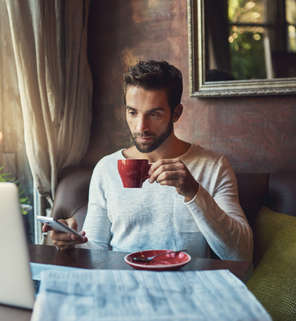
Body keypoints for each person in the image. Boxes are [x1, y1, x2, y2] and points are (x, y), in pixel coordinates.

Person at [44, 60, 253, 262]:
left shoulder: (213, 167)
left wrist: (193, 192)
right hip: (122, 288)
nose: (140, 127)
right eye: (133, 112)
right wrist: (69, 242)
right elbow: (95, 251)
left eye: (154, 114)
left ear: (176, 113)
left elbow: (241, 254)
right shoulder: (106, 168)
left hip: (186, 289)